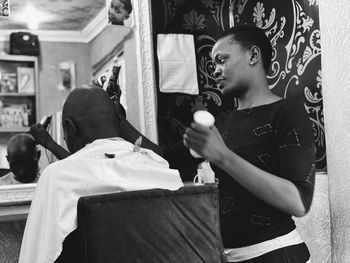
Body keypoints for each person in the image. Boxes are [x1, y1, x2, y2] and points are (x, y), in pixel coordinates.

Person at [181, 25, 315, 262]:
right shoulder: (223, 122)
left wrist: (223, 156)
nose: (215, 71)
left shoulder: (287, 113)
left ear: (253, 55)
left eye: (221, 60)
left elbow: (298, 202)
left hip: (276, 253)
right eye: (213, 65)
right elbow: (165, 159)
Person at [19, 86, 183, 263]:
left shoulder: (56, 179)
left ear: (69, 127)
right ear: (118, 121)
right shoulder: (159, 167)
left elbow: (37, 255)